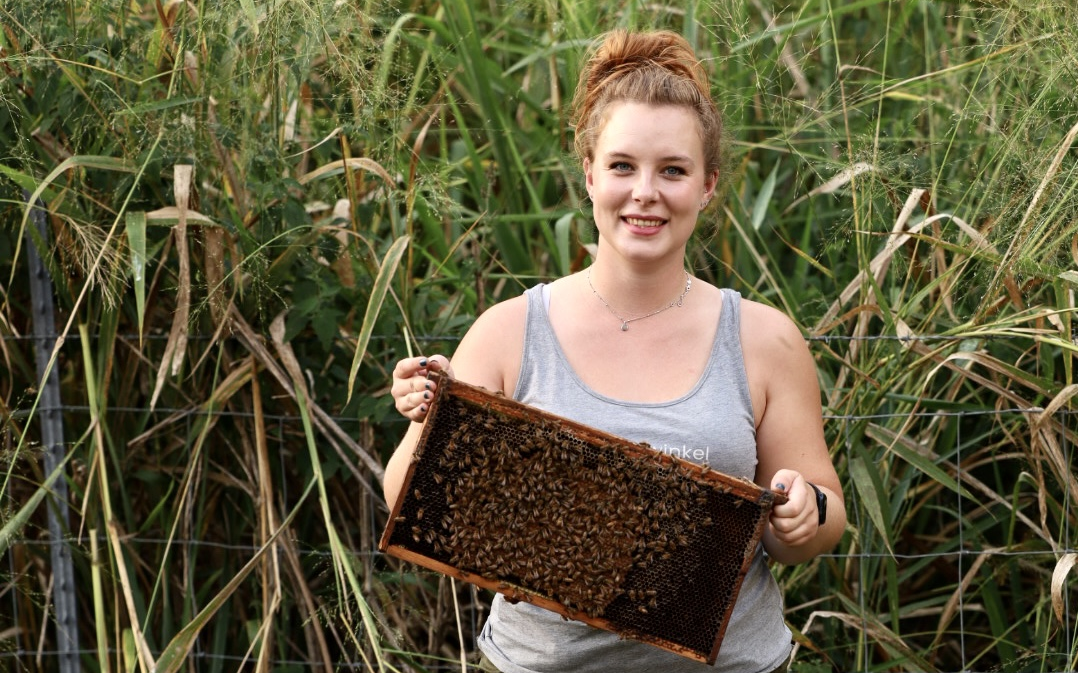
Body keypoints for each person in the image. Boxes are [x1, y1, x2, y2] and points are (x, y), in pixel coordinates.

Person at [383, 28, 845, 673]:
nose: (645, 192)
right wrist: (435, 417)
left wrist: (803, 512)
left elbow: (821, 520)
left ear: (708, 185)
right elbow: (407, 496)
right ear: (589, 175)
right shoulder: (509, 331)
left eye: (673, 170)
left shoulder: (765, 340)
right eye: (622, 166)